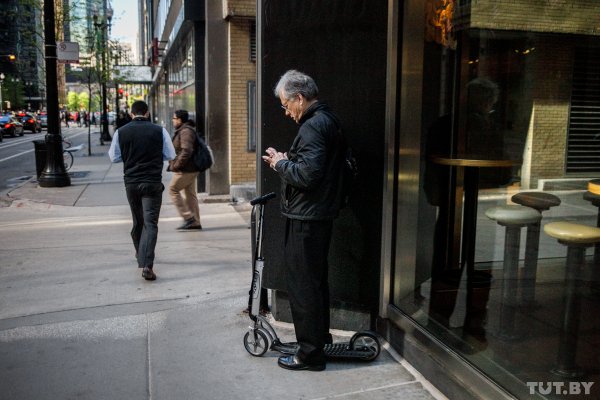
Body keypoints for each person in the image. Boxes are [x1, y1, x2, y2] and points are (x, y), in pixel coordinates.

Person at [262, 70, 346, 371]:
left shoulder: (313, 126)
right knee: (314, 282)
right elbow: (316, 168)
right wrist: (288, 161)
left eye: (287, 104)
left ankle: (310, 354)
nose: (286, 112)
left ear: (300, 98)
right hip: (318, 213)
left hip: (307, 216)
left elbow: (309, 176)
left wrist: (280, 163)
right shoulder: (327, 120)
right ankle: (318, 341)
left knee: (303, 287)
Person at [108, 100, 176, 281]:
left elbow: (114, 157)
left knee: (138, 222)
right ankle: (147, 264)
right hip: (152, 182)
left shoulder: (121, 132)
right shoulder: (159, 131)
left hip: (131, 182)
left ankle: (141, 253)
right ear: (147, 113)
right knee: (150, 223)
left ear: (131, 114)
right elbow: (170, 155)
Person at [168, 109, 202, 230]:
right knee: (190, 194)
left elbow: (186, 150)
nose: (173, 121)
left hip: (187, 169)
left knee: (173, 189)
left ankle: (188, 218)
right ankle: (195, 222)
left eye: (174, 118)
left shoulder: (185, 131)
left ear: (180, 120)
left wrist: (176, 165)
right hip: (191, 168)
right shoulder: (185, 130)